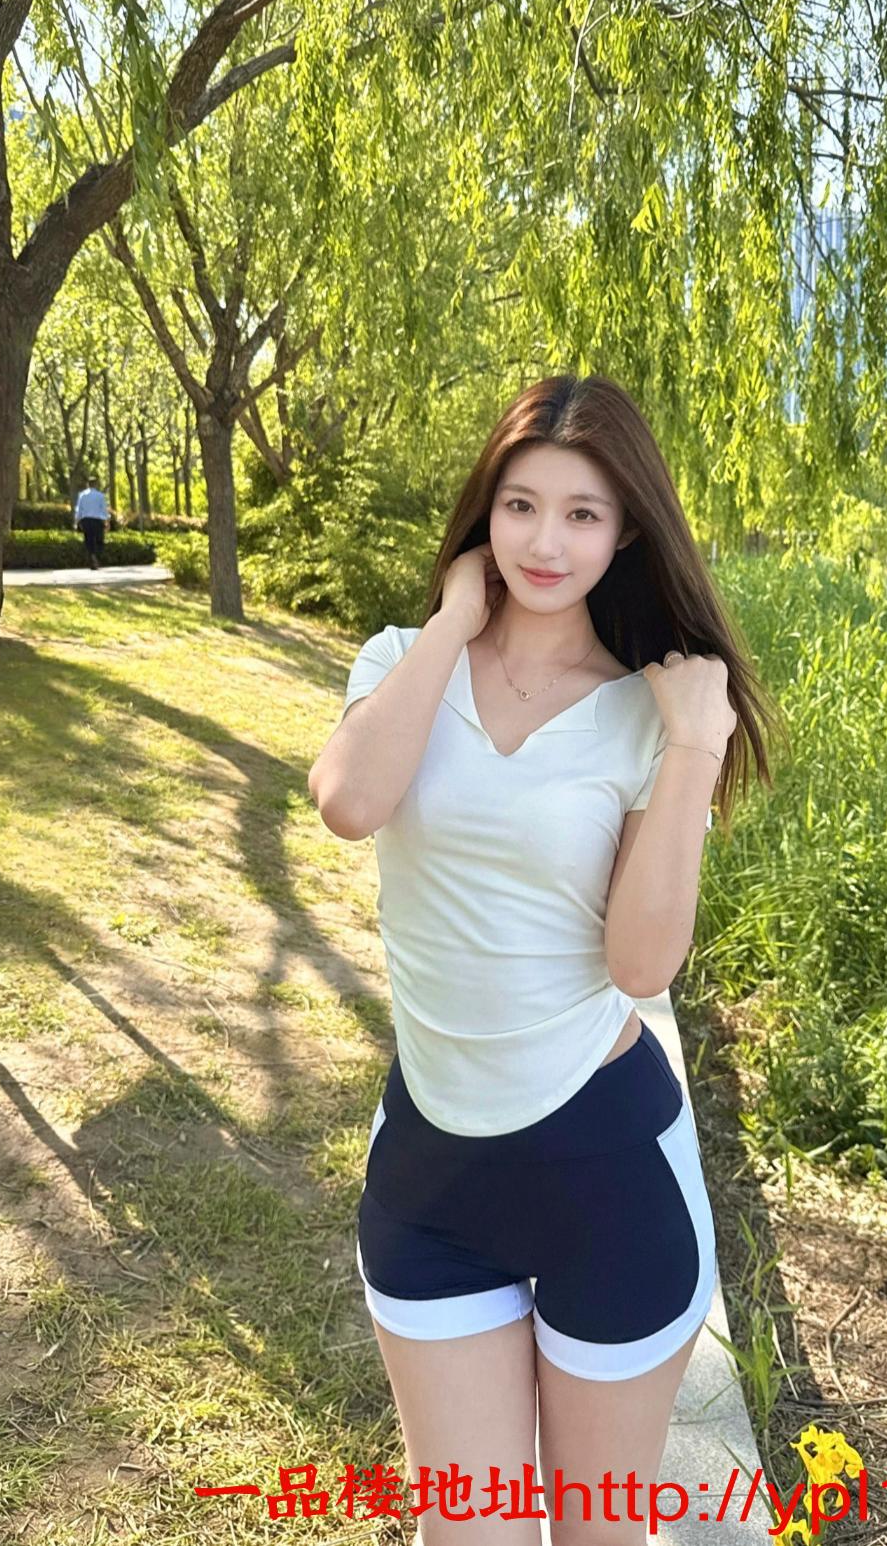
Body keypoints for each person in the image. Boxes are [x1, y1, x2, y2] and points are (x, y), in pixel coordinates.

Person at [308, 375, 784, 1545]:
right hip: (431, 1183)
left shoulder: (642, 717)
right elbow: (350, 802)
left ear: (626, 534)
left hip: (605, 1177)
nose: (546, 541)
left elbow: (642, 962)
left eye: (583, 513)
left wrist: (694, 743)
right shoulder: (400, 661)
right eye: (521, 504)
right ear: (486, 512)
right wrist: (450, 624)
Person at [73, 478, 109, 569]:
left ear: (88, 485)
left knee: (88, 540)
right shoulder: (100, 496)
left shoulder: (82, 495)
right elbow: (104, 510)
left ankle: (92, 557)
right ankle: (95, 557)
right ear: (96, 485)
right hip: (97, 521)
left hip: (86, 520)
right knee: (99, 540)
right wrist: (107, 521)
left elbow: (79, 509)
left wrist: (76, 522)